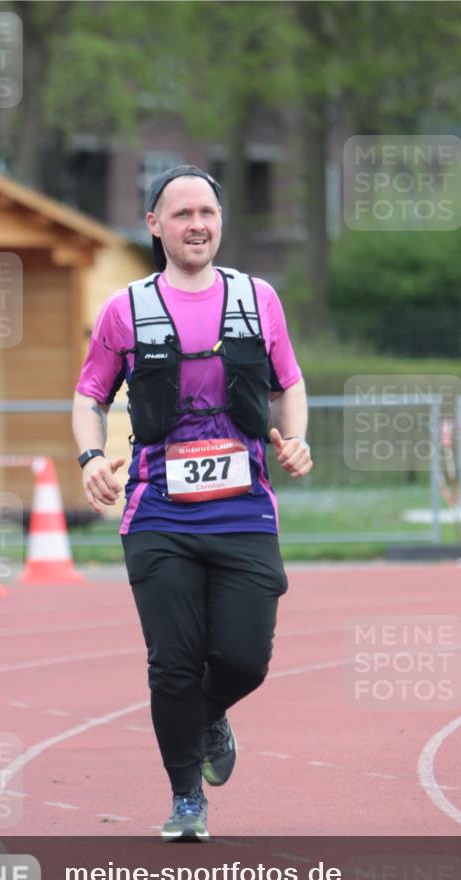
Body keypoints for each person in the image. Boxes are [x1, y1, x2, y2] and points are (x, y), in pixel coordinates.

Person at [72, 165, 312, 840]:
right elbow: (88, 395)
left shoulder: (257, 298)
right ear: (155, 225)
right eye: (181, 214)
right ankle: (186, 799)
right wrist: (91, 458)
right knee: (172, 662)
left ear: (220, 222)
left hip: (242, 508)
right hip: (157, 512)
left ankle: (206, 716)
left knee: (243, 659)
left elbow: (288, 382)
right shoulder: (126, 308)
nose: (196, 225)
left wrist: (294, 439)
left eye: (206, 212)